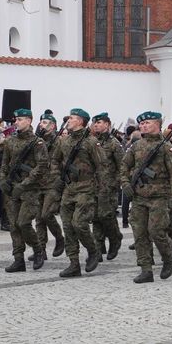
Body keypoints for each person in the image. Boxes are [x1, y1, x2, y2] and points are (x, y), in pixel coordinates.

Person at [120, 111, 172, 283]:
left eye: (148, 123)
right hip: (139, 196)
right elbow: (124, 167)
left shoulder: (166, 147)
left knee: (156, 231)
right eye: (142, 123)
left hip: (159, 196)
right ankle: (146, 269)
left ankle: (168, 258)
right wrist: (125, 184)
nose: (144, 126)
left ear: (158, 125)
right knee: (139, 233)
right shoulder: (136, 146)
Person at [49, 108, 102, 278]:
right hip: (69, 188)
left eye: (71, 118)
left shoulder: (91, 142)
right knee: (68, 226)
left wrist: (101, 192)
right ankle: (74, 263)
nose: (68, 121)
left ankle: (93, 250)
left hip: (86, 188)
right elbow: (55, 161)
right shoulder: (63, 141)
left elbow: (102, 166)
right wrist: (57, 177)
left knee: (79, 223)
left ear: (80, 121)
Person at [0, 109, 49, 272]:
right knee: (14, 225)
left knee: (23, 223)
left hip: (30, 190)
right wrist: (3, 180)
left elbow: (41, 166)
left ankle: (38, 249)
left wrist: (25, 183)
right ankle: (18, 259)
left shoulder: (38, 142)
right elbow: (4, 164)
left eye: (20, 119)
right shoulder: (10, 142)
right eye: (16, 119)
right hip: (13, 189)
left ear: (29, 121)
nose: (16, 122)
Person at [91, 112, 124, 261]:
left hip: (108, 187)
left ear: (107, 125)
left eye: (99, 122)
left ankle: (115, 238)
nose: (96, 125)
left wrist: (114, 184)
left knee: (106, 216)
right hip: (93, 186)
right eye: (95, 123)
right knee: (96, 217)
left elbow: (122, 167)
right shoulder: (91, 141)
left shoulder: (114, 144)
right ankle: (97, 249)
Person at [35, 111, 65, 258]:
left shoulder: (59, 142)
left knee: (47, 214)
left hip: (52, 183)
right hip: (38, 183)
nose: (42, 124)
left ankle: (59, 238)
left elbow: (65, 163)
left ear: (53, 126)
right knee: (39, 218)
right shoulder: (37, 142)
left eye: (45, 122)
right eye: (41, 122)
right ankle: (41, 250)